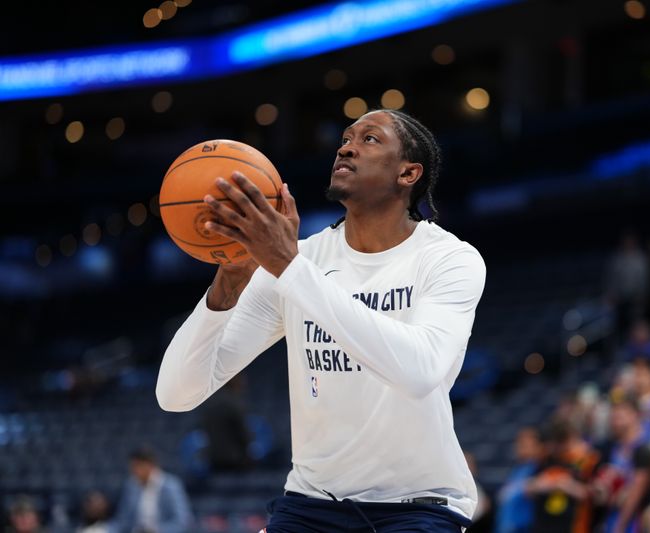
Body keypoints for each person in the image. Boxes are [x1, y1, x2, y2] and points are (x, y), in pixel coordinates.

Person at [156, 109, 486, 531]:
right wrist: (229, 280)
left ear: (408, 173)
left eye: (369, 139)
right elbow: (176, 394)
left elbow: (418, 371)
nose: (345, 146)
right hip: (311, 504)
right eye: (345, 138)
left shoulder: (449, 259)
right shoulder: (300, 261)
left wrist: (289, 268)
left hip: (417, 506)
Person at [594, 395, 650, 533]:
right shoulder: (611, 448)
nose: (615, 415)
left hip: (632, 521)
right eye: (614, 412)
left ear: (635, 415)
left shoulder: (643, 448)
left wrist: (619, 527)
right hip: (610, 516)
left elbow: (636, 492)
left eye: (622, 411)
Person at [112, 447, 192, 533]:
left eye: (136, 466)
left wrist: (156, 531)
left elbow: (182, 521)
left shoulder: (171, 486)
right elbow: (123, 521)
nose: (133, 471)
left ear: (149, 465)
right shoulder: (131, 486)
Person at [495, 427, 543, 533]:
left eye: (525, 445)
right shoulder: (516, 470)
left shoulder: (539, 469)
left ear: (537, 447)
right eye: (519, 443)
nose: (519, 447)